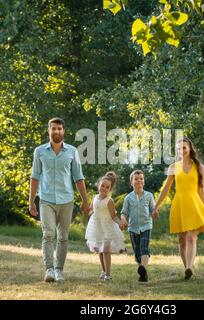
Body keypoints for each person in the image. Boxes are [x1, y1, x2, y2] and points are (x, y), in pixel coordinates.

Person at [29, 117, 90, 283]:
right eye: (53, 128)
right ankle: (49, 269)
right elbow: (35, 177)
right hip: (46, 199)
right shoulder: (39, 151)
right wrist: (31, 201)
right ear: (49, 131)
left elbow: (78, 177)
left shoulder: (72, 152)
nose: (56, 131)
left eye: (59, 128)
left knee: (63, 237)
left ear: (63, 131)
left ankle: (59, 270)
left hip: (66, 200)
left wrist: (85, 200)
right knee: (48, 234)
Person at [153, 137, 204, 280]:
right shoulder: (173, 167)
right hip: (179, 204)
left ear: (190, 148)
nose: (182, 150)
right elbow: (166, 189)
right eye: (179, 148)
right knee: (182, 240)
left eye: (184, 147)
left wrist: (203, 209)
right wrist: (156, 206)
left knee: (192, 237)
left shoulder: (200, 167)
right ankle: (187, 269)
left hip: (194, 204)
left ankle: (189, 267)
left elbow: (201, 189)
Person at [85, 171, 126, 281]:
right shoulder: (94, 197)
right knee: (100, 250)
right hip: (97, 226)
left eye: (107, 187)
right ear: (99, 185)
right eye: (102, 185)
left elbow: (113, 216)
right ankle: (103, 271)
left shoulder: (109, 201)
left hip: (107, 227)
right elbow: (91, 210)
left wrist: (120, 223)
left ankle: (108, 274)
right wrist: (86, 210)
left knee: (106, 251)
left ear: (110, 189)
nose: (104, 188)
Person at [120, 170, 155, 282]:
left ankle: (143, 268)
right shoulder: (128, 198)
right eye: (136, 179)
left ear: (144, 181)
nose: (139, 180)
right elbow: (124, 212)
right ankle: (143, 274)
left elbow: (153, 210)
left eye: (141, 178)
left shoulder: (149, 196)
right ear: (131, 182)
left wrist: (155, 212)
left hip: (146, 226)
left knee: (144, 248)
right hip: (133, 228)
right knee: (137, 252)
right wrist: (123, 219)